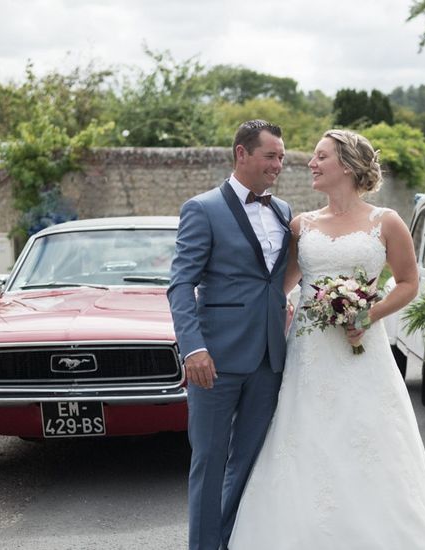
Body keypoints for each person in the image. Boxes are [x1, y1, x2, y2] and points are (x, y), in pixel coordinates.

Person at [228, 129, 425, 549]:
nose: (311, 164)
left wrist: (368, 314)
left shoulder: (386, 221)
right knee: (306, 437)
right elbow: (278, 286)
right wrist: (229, 308)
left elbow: (408, 283)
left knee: (368, 438)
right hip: (309, 352)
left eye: (321, 157)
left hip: (362, 351)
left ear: (349, 166)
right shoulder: (301, 225)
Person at [167, 120, 292, 550]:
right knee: (209, 460)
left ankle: (229, 540)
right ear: (242, 154)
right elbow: (180, 284)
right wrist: (193, 348)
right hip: (214, 360)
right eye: (270, 156)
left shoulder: (284, 211)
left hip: (270, 358)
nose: (278, 165)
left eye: (281, 157)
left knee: (250, 461)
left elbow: (276, 281)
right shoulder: (202, 209)